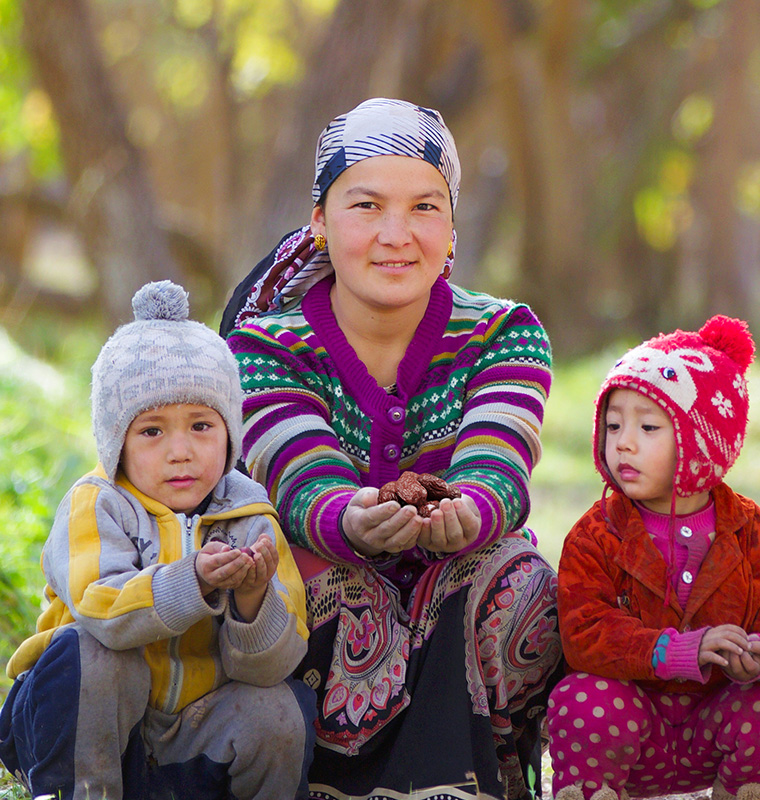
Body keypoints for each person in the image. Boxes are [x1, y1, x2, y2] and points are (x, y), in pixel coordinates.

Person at [221, 97, 563, 800]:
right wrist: (348, 518)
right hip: (326, 594)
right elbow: (299, 476)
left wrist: (471, 509)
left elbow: (499, 464)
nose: (396, 234)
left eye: (425, 207)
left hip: (464, 586)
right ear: (319, 222)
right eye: (367, 205)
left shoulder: (505, 335)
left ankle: (481, 778)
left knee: (521, 583)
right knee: (308, 583)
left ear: (453, 229)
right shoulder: (262, 345)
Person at [0, 281, 315, 800]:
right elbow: (102, 608)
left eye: (201, 426)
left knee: (277, 708)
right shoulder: (97, 504)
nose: (181, 451)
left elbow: (273, 666)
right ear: (115, 441)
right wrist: (190, 581)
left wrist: (253, 601)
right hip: (81, 729)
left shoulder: (250, 513)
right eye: (152, 431)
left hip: (189, 739)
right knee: (97, 657)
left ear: (230, 434)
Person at [547, 315, 760, 800]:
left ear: (703, 442)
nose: (623, 441)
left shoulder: (758, 535)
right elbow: (583, 633)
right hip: (627, 726)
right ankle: (593, 790)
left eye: (647, 426)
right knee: (580, 699)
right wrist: (672, 650)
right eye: (613, 424)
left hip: (718, 725)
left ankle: (747, 789)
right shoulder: (596, 534)